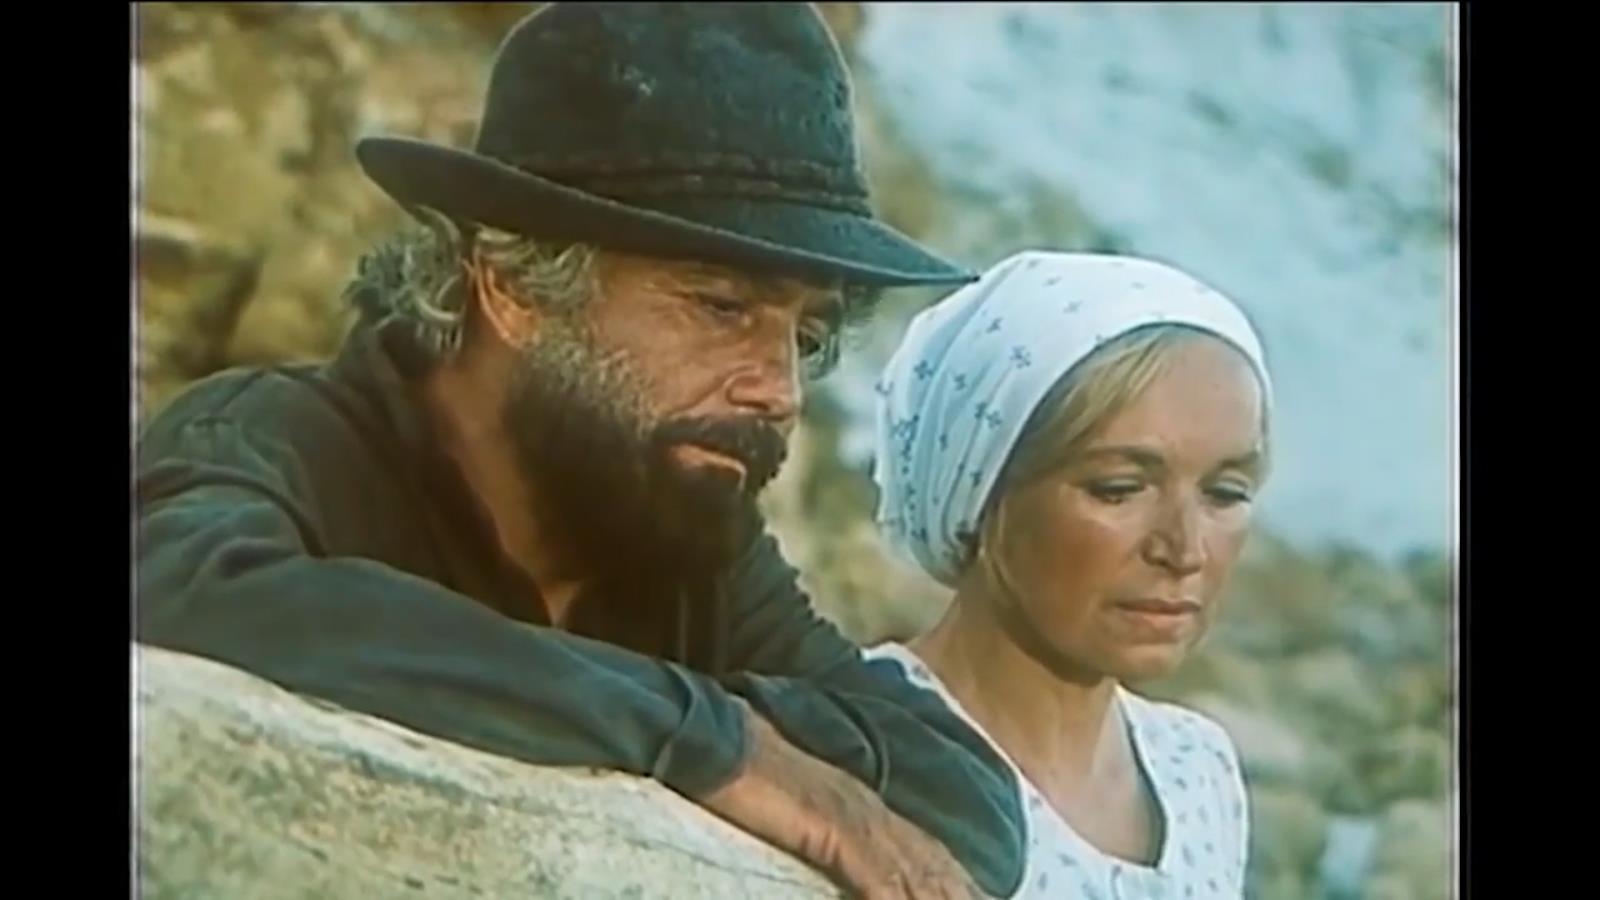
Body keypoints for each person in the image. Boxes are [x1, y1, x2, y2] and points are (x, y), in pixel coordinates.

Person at [134, 5, 1027, 898]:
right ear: (514, 289)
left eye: (807, 334)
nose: (780, 390)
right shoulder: (278, 441)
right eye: (722, 308)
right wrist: (711, 743)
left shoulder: (684, 539)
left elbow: (967, 801)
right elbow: (175, 586)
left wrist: (685, 725)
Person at [867, 250, 1272, 898]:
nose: (1184, 549)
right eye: (1118, 489)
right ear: (980, 491)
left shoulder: (1198, 767)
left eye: (1225, 494)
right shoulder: (857, 752)